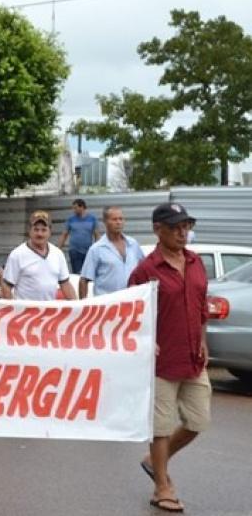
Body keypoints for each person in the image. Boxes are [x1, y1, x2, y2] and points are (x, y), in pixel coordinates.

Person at [128, 203, 209, 514]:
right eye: (175, 226)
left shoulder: (196, 262)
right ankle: (162, 486)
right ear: (157, 229)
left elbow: (202, 306)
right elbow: (131, 315)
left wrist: (202, 341)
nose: (182, 232)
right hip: (160, 361)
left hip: (193, 357)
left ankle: (154, 462)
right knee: (160, 427)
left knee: (198, 420)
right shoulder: (146, 270)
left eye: (185, 226)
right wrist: (145, 342)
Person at [1, 211, 76, 301]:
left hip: (49, 311)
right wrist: (12, 310)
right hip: (25, 312)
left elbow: (65, 284)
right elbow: (6, 286)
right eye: (36, 229)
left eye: (44, 230)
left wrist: (79, 308)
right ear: (29, 231)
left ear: (50, 232)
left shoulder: (58, 254)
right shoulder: (17, 255)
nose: (40, 234)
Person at [79, 206, 145, 298]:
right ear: (105, 222)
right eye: (114, 219)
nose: (118, 222)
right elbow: (84, 280)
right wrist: (84, 307)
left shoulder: (133, 244)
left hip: (131, 302)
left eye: (121, 219)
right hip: (107, 305)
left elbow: (144, 269)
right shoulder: (97, 249)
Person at [58, 198, 99, 274]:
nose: (74, 210)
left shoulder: (92, 219)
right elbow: (64, 234)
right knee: (77, 273)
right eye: (73, 208)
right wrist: (58, 249)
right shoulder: (71, 220)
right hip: (74, 251)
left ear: (82, 207)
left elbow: (97, 234)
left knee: (88, 273)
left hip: (88, 251)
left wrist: (98, 249)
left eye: (75, 208)